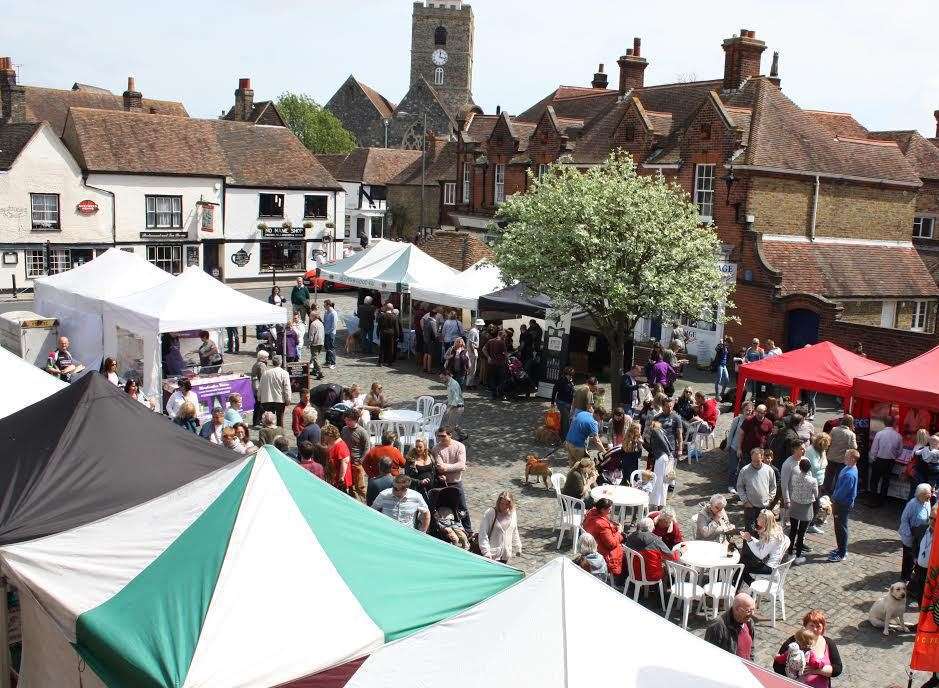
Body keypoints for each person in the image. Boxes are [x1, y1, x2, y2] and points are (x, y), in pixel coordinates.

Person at [772, 610, 843, 686]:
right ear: (805, 626)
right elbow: (777, 666)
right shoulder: (793, 641)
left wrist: (817, 670)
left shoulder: (829, 643)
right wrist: (794, 670)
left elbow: (837, 669)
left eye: (818, 626)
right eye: (812, 625)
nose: (815, 629)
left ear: (822, 629)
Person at [432, 427, 471, 530]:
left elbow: (461, 465)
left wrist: (447, 467)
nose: (440, 438)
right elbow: (440, 467)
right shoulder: (436, 449)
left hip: (456, 482)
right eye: (439, 436)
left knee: (463, 507)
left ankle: (468, 530)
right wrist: (455, 467)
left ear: (450, 435)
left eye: (443, 436)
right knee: (443, 507)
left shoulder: (459, 446)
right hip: (442, 483)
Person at [739, 509, 788, 585]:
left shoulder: (772, 536)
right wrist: (749, 538)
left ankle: (752, 585)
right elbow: (760, 544)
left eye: (759, 517)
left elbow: (761, 555)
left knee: (742, 567)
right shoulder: (772, 530)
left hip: (770, 567)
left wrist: (749, 540)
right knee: (743, 560)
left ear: (764, 521)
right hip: (769, 563)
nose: (757, 519)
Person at [583, 498, 625, 585]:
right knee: (626, 555)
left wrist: (613, 527)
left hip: (593, 543)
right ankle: (619, 582)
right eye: (609, 509)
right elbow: (611, 544)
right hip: (603, 551)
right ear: (602, 509)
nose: (610, 511)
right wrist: (619, 532)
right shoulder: (601, 525)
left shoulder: (592, 513)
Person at [624, 517, 678, 585]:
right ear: (652, 528)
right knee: (665, 567)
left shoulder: (631, 537)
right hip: (651, 576)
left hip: (633, 572)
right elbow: (672, 557)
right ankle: (663, 592)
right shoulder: (655, 540)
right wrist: (680, 551)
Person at [737, 448, 778, 532]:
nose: (755, 463)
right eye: (753, 461)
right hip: (750, 507)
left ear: (762, 458)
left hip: (764, 506)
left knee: (764, 531)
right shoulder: (745, 470)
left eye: (758, 461)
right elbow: (740, 487)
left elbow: (773, 486)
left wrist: (770, 499)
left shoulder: (769, 470)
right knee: (750, 532)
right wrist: (745, 501)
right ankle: (748, 545)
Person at [705, 593, 757, 660]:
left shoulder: (749, 622)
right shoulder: (717, 626)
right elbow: (709, 656)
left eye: (753, 610)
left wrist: (751, 662)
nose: (752, 614)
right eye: (748, 611)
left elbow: (751, 648)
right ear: (737, 609)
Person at [829, 449, 859, 562]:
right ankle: (840, 548)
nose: (844, 458)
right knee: (839, 527)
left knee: (841, 528)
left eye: (846, 456)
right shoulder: (848, 469)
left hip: (842, 505)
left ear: (852, 458)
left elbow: (842, 493)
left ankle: (842, 553)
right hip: (842, 503)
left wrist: (833, 500)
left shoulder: (849, 474)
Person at [788, 457, 819, 565]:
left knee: (792, 531)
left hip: (794, 506)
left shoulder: (794, 478)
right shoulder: (813, 481)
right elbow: (816, 494)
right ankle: (798, 555)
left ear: (800, 468)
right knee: (801, 533)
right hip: (806, 508)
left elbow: (792, 488)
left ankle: (789, 553)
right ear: (809, 468)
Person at [900, 483, 934, 582]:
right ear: (920, 495)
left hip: (921, 534)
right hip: (910, 534)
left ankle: (912, 574)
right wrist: (909, 534)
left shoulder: (927, 502)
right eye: (927, 495)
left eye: (930, 494)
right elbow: (904, 519)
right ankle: (905, 576)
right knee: (908, 556)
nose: (930, 497)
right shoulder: (912, 504)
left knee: (916, 554)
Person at [478, 491, 523, 563]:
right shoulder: (490, 513)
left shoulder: (513, 513)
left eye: (507, 504)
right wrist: (486, 552)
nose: (504, 506)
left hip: (505, 555)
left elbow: (514, 530)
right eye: (502, 503)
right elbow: (483, 533)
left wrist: (518, 546)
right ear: (498, 502)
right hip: (491, 555)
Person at [869, 420, 903, 506]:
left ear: (884, 423)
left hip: (879, 460)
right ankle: (882, 500)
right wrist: (894, 457)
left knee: (874, 481)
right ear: (894, 424)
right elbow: (900, 451)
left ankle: (873, 499)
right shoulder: (898, 435)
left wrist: (873, 458)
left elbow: (874, 449)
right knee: (886, 481)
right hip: (890, 461)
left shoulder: (879, 434)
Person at [341, 409, 371, 503]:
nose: (347, 422)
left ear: (355, 420)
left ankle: (365, 503)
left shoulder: (362, 432)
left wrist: (360, 461)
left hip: (356, 463)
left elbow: (367, 448)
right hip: (346, 462)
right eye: (346, 420)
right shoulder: (344, 429)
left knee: (360, 486)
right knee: (349, 485)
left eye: (349, 420)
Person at [910, 506, 938, 605]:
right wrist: (915, 557)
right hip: (919, 569)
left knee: (930, 600)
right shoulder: (922, 528)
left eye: (935, 519)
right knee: (919, 595)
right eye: (930, 518)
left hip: (932, 573)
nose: (932, 521)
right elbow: (915, 544)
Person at [824, 415, 857, 494]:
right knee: (839, 476)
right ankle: (836, 490)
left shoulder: (834, 429)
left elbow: (829, 441)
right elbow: (854, 447)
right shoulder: (851, 434)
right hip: (842, 459)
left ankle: (826, 489)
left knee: (829, 474)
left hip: (831, 456)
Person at [805, 432, 831, 534]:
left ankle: (810, 523)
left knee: (816, 504)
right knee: (814, 505)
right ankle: (809, 525)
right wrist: (821, 465)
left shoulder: (822, 451)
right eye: (826, 446)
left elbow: (824, 463)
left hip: (820, 481)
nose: (827, 448)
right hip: (812, 482)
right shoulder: (810, 451)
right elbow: (814, 467)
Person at [258, 354, 291, 428]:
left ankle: (267, 435)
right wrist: (288, 399)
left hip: (267, 399)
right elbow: (287, 388)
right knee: (280, 419)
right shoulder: (284, 373)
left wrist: (259, 397)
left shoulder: (266, 373)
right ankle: (280, 434)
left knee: (267, 420)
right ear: (281, 362)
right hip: (279, 400)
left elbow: (261, 386)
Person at [726, 401, 752, 493]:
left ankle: (739, 485)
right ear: (743, 410)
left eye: (750, 410)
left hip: (745, 449)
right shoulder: (737, 420)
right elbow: (731, 434)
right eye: (746, 410)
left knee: (742, 469)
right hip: (734, 447)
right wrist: (728, 446)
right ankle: (730, 485)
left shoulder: (751, 421)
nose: (748, 412)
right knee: (733, 467)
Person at [321, 422, 352, 492]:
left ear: (330, 435)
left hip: (340, 481)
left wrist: (341, 479)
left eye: (324, 435)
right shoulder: (332, 443)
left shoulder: (340, 446)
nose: (323, 437)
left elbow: (345, 461)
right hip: (334, 478)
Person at [654, 396, 684, 464]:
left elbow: (679, 435)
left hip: (671, 447)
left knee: (669, 470)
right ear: (663, 406)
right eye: (667, 406)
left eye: (671, 406)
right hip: (660, 448)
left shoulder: (676, 418)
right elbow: (654, 434)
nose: (670, 408)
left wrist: (680, 449)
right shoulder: (657, 418)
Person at [442, 368, 467, 441]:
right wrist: (446, 401)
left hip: (457, 407)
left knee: (450, 425)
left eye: (442, 377)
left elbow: (456, 399)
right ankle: (463, 435)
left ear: (446, 376)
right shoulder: (450, 383)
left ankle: (448, 440)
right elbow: (452, 396)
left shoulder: (454, 384)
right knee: (453, 423)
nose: (442, 379)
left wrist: (449, 408)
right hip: (455, 407)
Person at [482, 330, 509, 400]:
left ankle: (494, 394)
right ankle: (501, 394)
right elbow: (505, 353)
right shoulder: (502, 342)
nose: (505, 338)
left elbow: (483, 349)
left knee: (492, 379)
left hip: (491, 363)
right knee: (501, 379)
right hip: (500, 363)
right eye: (504, 336)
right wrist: (508, 360)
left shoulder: (490, 341)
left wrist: (488, 357)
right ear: (502, 335)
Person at [552, 366, 576, 436]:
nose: (571, 376)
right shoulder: (560, 381)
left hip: (569, 403)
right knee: (567, 419)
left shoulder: (571, 381)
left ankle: (561, 434)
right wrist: (552, 403)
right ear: (566, 374)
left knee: (564, 419)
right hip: (561, 402)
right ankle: (567, 437)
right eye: (570, 375)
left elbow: (572, 391)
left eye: (572, 375)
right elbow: (554, 391)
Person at [250, 351, 268, 426]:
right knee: (260, 405)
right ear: (263, 358)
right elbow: (264, 377)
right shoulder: (262, 365)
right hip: (259, 388)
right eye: (266, 357)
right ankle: (258, 420)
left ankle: (256, 420)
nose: (267, 359)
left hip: (255, 387)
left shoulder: (256, 364)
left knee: (257, 405)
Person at [376, 302, 397, 367]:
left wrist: (377, 333)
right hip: (391, 333)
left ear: (386, 308)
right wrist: (397, 335)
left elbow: (378, 326)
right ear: (392, 308)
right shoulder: (394, 317)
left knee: (382, 347)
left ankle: (380, 362)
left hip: (383, 333)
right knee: (390, 348)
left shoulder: (382, 316)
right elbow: (396, 327)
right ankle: (389, 362)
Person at [306, 311, 325, 380]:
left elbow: (311, 335)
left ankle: (320, 372)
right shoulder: (321, 323)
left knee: (315, 358)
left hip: (315, 343)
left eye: (310, 316)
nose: (309, 317)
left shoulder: (313, 324)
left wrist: (309, 343)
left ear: (313, 316)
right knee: (316, 357)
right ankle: (314, 371)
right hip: (321, 342)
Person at [714, 335, 733, 399]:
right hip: (719, 364)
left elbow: (728, 356)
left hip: (724, 365)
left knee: (727, 379)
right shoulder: (721, 345)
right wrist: (721, 344)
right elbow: (716, 349)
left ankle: (722, 392)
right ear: (726, 341)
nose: (729, 344)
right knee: (718, 380)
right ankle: (717, 394)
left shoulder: (727, 347)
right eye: (729, 343)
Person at [466, 318, 482, 388]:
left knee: (472, 368)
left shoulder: (474, 331)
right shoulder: (474, 331)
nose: (482, 326)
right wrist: (473, 351)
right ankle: (469, 384)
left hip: (472, 350)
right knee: (472, 368)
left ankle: (469, 383)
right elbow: (471, 342)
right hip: (472, 350)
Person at [420, 309, 437, 373]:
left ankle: (424, 367)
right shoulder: (433, 322)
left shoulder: (426, 320)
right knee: (430, 354)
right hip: (431, 340)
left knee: (426, 353)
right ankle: (429, 369)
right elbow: (435, 333)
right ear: (435, 315)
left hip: (425, 339)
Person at [322, 299, 337, 369]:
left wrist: (328, 332)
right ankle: (327, 361)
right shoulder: (326, 312)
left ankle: (333, 363)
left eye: (324, 305)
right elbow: (324, 322)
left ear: (328, 305)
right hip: (326, 332)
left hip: (331, 333)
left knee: (331, 348)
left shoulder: (333, 313)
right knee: (327, 347)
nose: (324, 307)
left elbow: (333, 326)